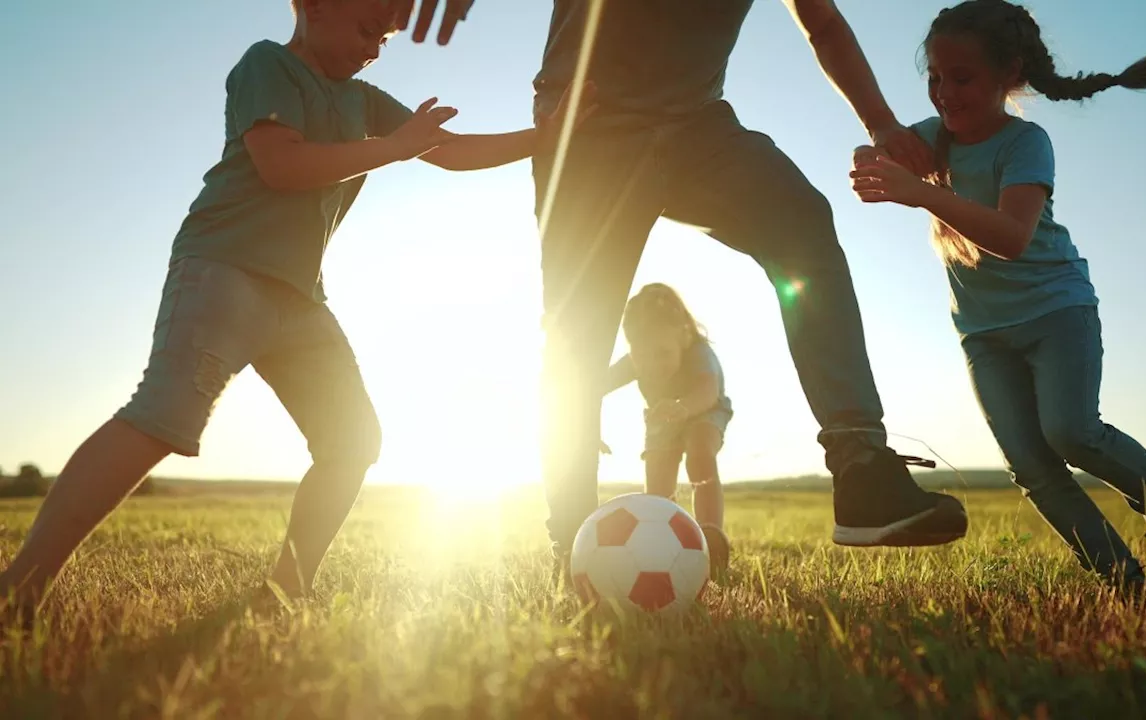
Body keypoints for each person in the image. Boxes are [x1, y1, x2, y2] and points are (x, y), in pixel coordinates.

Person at [0, 0, 585, 621]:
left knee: (352, 439)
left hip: (301, 297)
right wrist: (393, 147)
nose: (375, 48)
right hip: (224, 268)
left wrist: (546, 137)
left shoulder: (363, 99)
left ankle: (283, 592)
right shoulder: (269, 64)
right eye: (368, 28)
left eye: (385, 37)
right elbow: (282, 165)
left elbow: (448, 149)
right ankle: (19, 588)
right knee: (163, 414)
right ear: (312, 7)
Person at [400, 0, 972, 571]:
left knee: (800, 222)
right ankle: (574, 539)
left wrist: (881, 123)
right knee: (578, 332)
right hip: (584, 129)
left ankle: (862, 470)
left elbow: (821, 21)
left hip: (698, 128)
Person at [849, 0, 1146, 586]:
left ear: (1008, 74)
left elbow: (1013, 237)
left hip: (1057, 311)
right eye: (935, 78)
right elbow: (873, 153)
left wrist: (920, 192)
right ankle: (1120, 578)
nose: (944, 93)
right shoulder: (930, 139)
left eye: (961, 78)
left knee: (1072, 433)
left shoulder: (1026, 142)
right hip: (983, 332)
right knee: (1032, 466)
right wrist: (872, 153)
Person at [601, 284, 734, 575]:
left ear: (683, 337)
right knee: (658, 488)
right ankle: (660, 542)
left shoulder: (698, 353)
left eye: (663, 353)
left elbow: (707, 389)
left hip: (704, 409)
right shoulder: (637, 360)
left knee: (699, 454)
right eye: (642, 356)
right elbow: (596, 387)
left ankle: (711, 536)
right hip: (662, 417)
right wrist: (584, 421)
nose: (652, 364)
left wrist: (684, 408)